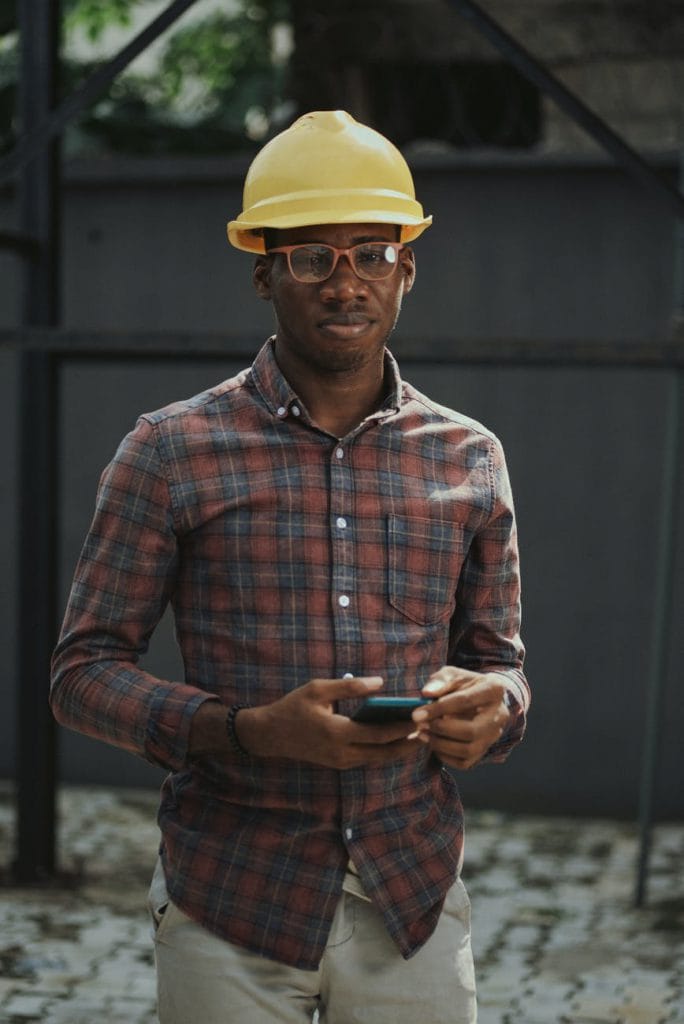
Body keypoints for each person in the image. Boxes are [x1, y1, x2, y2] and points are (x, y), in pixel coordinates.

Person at [51, 110, 529, 1024]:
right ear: (264, 272)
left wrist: (494, 712)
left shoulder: (469, 456)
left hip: (411, 901)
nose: (346, 282)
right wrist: (246, 730)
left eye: (372, 253)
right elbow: (80, 676)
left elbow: (501, 663)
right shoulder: (170, 451)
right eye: (313, 257)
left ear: (408, 268)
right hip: (232, 902)